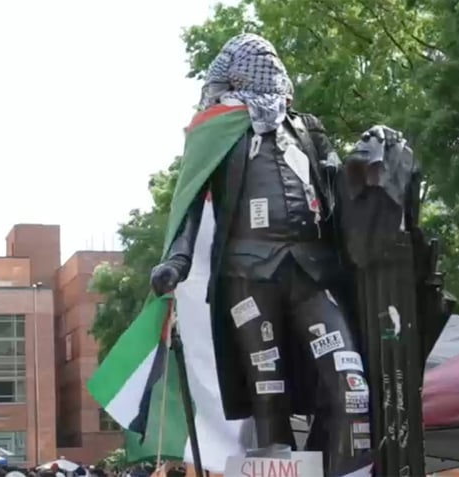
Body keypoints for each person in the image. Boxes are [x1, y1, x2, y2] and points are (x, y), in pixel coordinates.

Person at [149, 33, 375, 476]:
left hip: (313, 273)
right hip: (248, 276)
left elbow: (340, 192)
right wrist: (177, 259)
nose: (267, 66)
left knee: (353, 390)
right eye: (254, 61)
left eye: (270, 58)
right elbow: (191, 196)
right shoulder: (216, 131)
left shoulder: (307, 129)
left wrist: (374, 164)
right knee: (269, 401)